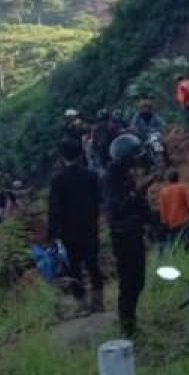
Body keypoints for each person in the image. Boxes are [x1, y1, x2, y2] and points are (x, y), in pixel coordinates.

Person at [103, 133, 157, 337]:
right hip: (123, 236)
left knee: (138, 280)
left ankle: (130, 321)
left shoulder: (126, 175)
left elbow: (139, 206)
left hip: (133, 233)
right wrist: (139, 191)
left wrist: (153, 221)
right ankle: (128, 327)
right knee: (129, 282)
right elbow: (117, 208)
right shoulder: (110, 179)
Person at [47, 138, 104, 315]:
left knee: (75, 268)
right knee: (93, 264)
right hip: (90, 227)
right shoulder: (91, 176)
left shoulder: (57, 180)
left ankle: (82, 305)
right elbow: (99, 201)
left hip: (68, 231)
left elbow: (54, 209)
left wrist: (52, 233)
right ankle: (98, 303)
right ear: (80, 154)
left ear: (62, 156)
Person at [157, 169, 189, 252]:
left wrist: (165, 221)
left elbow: (162, 210)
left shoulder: (163, 192)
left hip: (172, 223)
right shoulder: (183, 187)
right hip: (184, 220)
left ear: (168, 179)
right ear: (178, 177)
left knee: (175, 244)